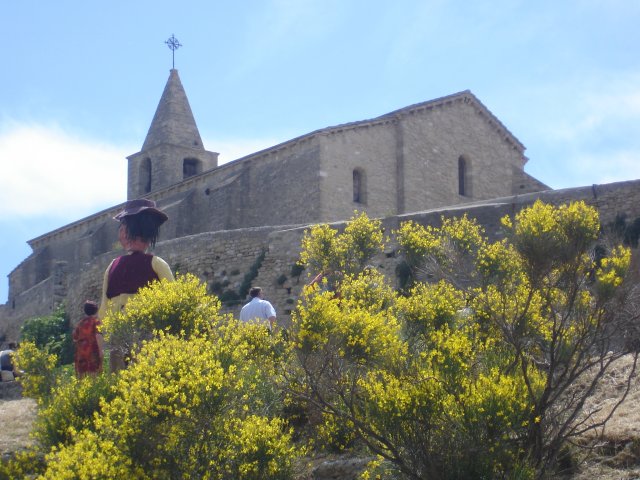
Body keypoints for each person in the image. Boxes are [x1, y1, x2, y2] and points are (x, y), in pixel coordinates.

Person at [98, 198, 174, 371]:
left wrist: (99, 338)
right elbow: (175, 300)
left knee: (120, 381)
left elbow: (103, 309)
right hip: (148, 336)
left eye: (123, 228)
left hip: (121, 336)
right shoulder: (157, 263)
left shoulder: (112, 267)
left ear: (127, 232)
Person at [73, 300, 104, 377]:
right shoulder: (96, 322)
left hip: (81, 353)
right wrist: (101, 352)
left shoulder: (80, 323)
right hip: (92, 352)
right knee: (93, 376)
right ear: (96, 310)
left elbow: (75, 338)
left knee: (81, 377)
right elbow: (98, 336)